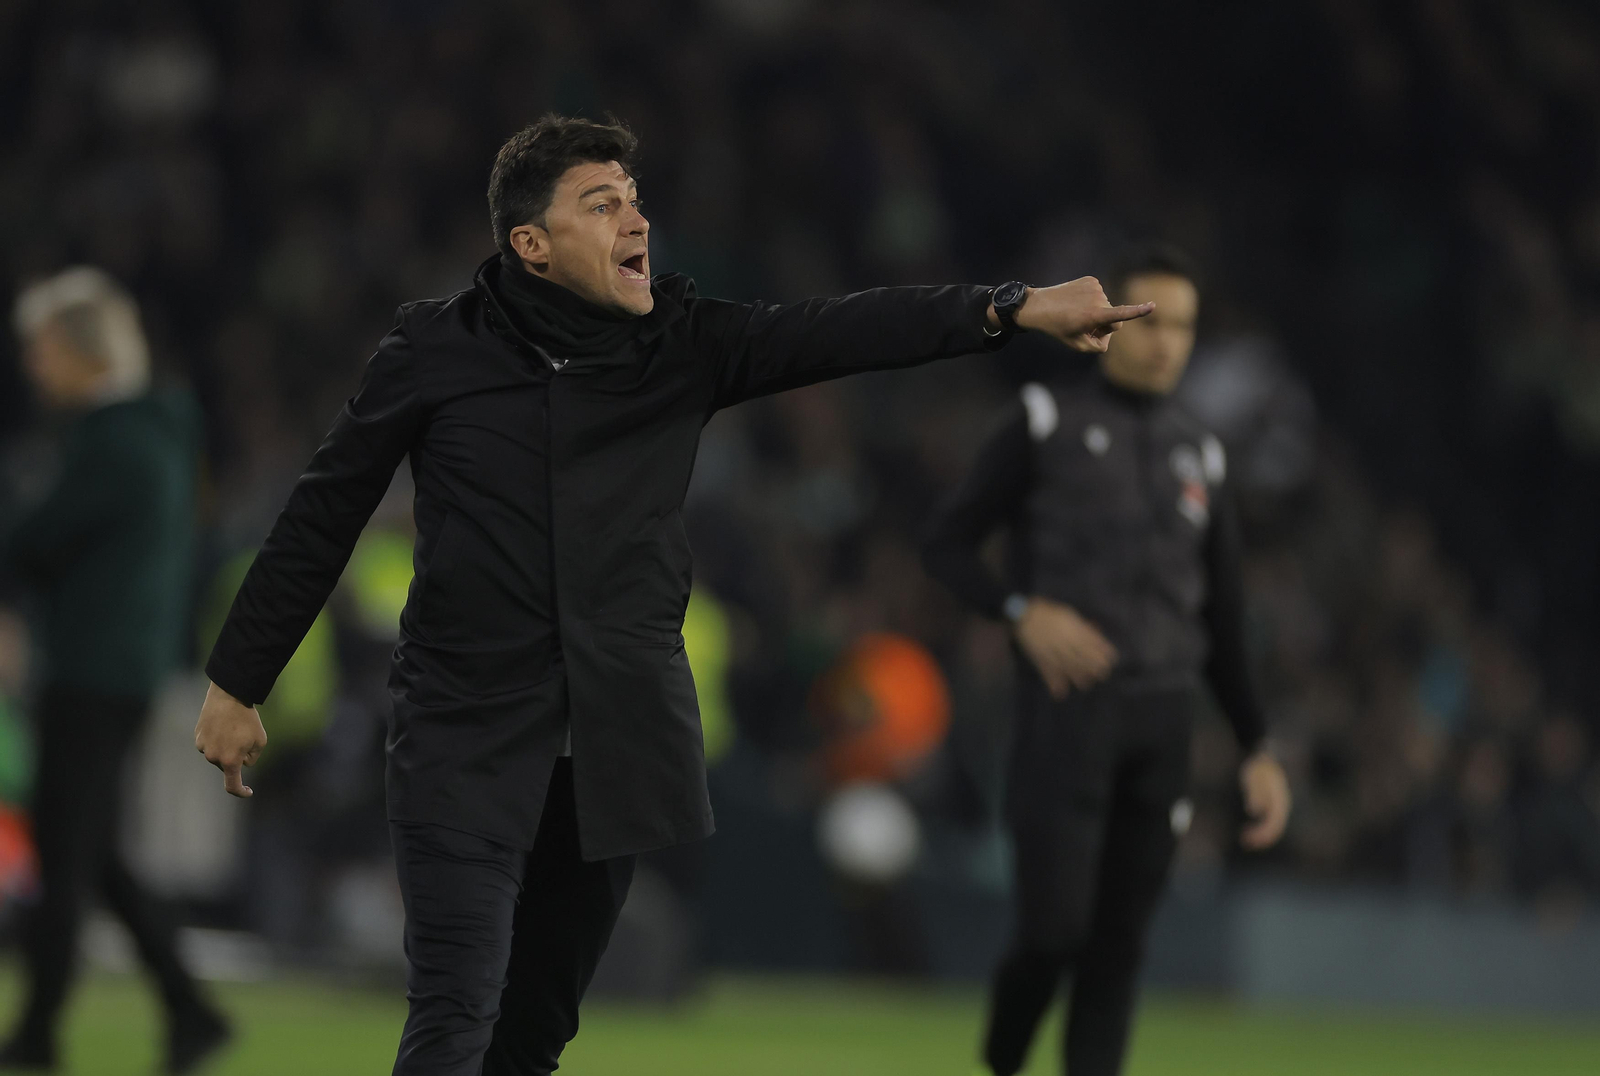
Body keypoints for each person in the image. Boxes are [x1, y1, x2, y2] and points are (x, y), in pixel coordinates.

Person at [191, 113, 1154, 1076]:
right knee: (454, 1014)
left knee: (532, 1037)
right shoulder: (433, 352)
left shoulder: (680, 344)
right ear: (532, 243)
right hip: (463, 736)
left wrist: (1007, 307)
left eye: (634, 199)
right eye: (600, 204)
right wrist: (239, 681)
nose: (636, 219)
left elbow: (843, 330)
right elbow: (322, 514)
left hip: (615, 745)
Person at [920, 245, 1292, 1076]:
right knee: (1052, 933)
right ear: (1110, 322)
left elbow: (1223, 614)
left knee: (1118, 949)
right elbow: (944, 544)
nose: (1167, 343)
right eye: (1150, 322)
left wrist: (1257, 745)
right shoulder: (1044, 422)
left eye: (1185, 327)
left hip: (1163, 725)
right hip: (1066, 718)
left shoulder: (1202, 452)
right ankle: (1003, 1058)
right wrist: (1019, 612)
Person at [0, 268, 229, 1074]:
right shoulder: (154, 435)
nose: (33, 365)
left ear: (81, 349)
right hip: (122, 669)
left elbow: (32, 540)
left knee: (64, 858)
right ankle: (190, 1008)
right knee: (92, 851)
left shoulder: (115, 442)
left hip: (91, 672)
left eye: (42, 348)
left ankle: (38, 1033)